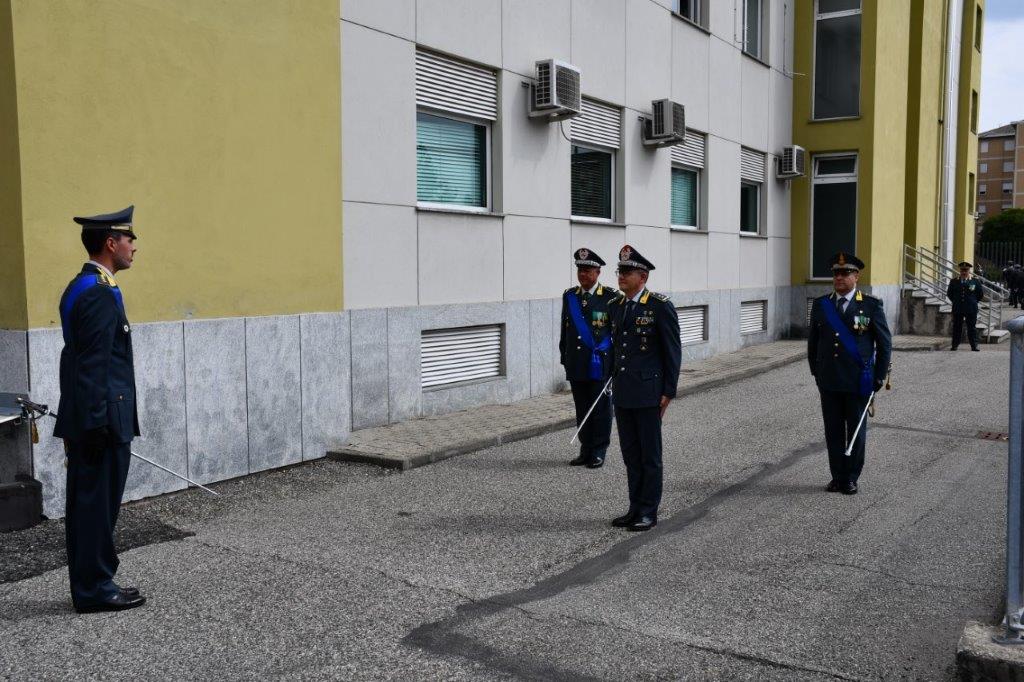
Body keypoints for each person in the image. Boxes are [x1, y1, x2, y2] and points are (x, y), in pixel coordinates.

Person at [54, 205, 145, 613]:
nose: (134, 247)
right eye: (129, 239)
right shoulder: (98, 293)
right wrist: (95, 425)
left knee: (90, 505)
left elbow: (75, 359)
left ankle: (94, 582)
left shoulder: (83, 286)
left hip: (93, 417)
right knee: (95, 508)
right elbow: (93, 365)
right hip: (102, 421)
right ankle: (95, 589)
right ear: (111, 243)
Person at [606, 245, 681, 531]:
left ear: (643, 277)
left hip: (649, 393)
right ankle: (634, 507)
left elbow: (672, 352)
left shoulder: (659, 307)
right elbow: (617, 350)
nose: (621, 276)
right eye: (620, 271)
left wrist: (668, 391)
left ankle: (648, 511)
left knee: (649, 456)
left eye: (627, 272)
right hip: (624, 392)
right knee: (631, 455)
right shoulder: (616, 306)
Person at [807, 252, 892, 495]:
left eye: (845, 273)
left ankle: (851, 477)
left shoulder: (871, 305)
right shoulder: (821, 305)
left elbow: (884, 344)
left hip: (858, 381)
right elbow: (813, 343)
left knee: (856, 431)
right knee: (833, 431)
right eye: (836, 273)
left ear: (856, 276)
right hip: (829, 380)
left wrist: (878, 376)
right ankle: (837, 476)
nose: (839, 277)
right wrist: (816, 372)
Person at [559, 248, 618, 468]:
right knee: (582, 407)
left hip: (599, 363)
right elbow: (565, 330)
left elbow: (616, 333)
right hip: (577, 362)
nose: (583, 274)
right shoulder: (570, 296)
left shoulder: (611, 297)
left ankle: (599, 450)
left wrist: (615, 364)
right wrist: (565, 357)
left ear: (598, 272)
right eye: (580, 270)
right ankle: (585, 449)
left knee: (600, 409)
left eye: (587, 270)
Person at [946, 261, 984, 351]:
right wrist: (956, 301)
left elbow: (980, 294)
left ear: (969, 271)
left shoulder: (975, 281)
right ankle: (955, 345)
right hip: (958, 308)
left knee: (971, 327)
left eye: (965, 270)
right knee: (957, 327)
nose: (964, 272)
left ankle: (974, 346)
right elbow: (950, 294)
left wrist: (973, 301)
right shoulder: (954, 281)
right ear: (960, 271)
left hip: (971, 308)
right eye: (962, 270)